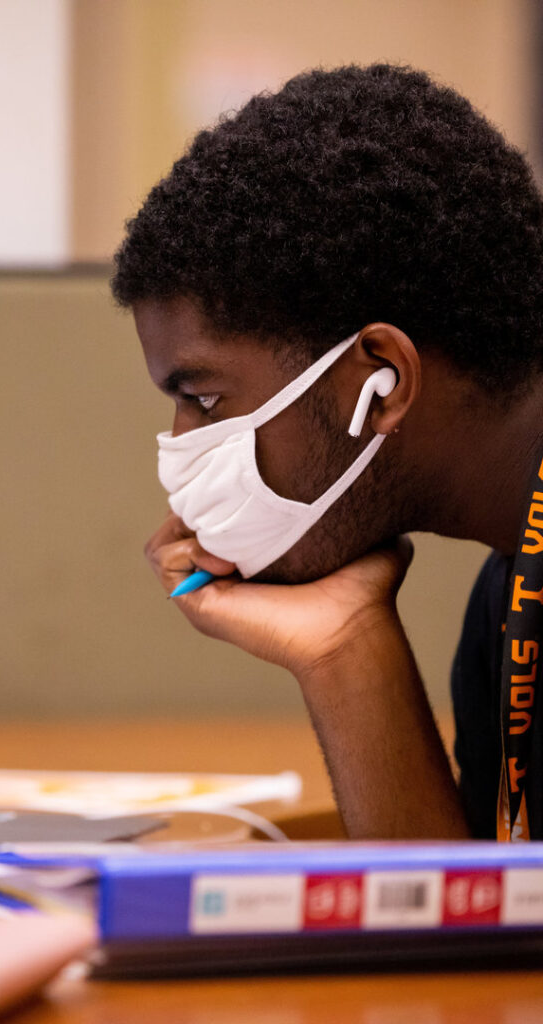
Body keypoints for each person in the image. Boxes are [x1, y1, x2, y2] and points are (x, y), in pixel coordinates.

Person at [110, 64, 543, 841]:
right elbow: (454, 937)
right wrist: (345, 650)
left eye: (205, 398)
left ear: (381, 380)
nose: (181, 447)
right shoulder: (513, 591)